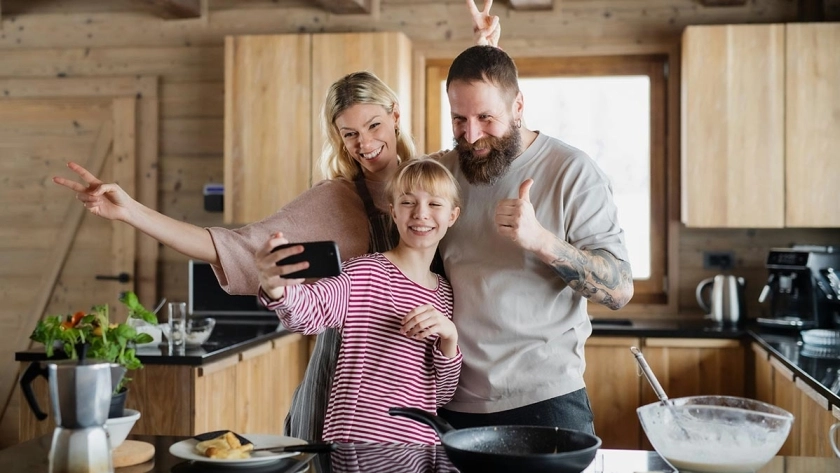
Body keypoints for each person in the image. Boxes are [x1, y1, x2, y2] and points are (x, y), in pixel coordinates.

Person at [52, 1, 500, 442]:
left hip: (423, 393)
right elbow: (232, 247)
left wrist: (485, 54)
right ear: (338, 138)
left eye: (375, 125)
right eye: (350, 134)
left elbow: (481, 133)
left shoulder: (434, 178)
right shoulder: (333, 201)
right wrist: (131, 212)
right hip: (348, 394)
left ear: (396, 116)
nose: (365, 143)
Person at [434, 45, 635, 433]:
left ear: (518, 105)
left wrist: (542, 241)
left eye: (485, 117)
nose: (472, 134)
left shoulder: (572, 172)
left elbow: (620, 289)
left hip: (546, 402)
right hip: (454, 403)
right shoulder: (442, 173)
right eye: (459, 118)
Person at [255, 158, 462, 444]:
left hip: (418, 452)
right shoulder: (366, 272)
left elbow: (441, 394)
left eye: (435, 204)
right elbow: (310, 311)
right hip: (357, 447)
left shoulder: (445, 295)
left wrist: (449, 337)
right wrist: (277, 290)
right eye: (408, 202)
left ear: (452, 215)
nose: (421, 214)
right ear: (393, 212)